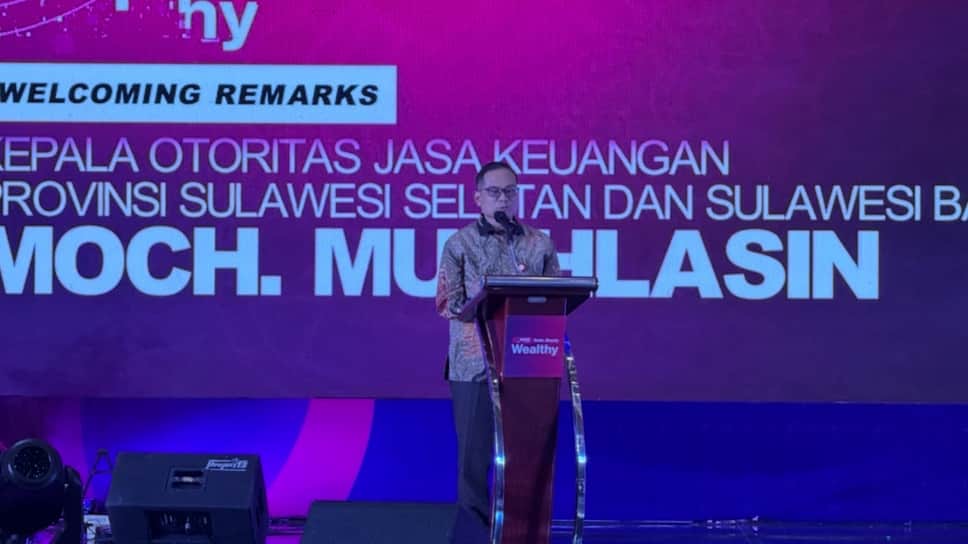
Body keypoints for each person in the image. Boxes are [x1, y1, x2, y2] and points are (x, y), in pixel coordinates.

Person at [435, 161, 560, 542]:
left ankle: (522, 533)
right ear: (477, 198)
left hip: (528, 363)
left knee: (528, 457)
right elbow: (447, 302)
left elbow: (555, 297)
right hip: (474, 364)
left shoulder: (539, 243)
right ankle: (474, 535)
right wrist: (485, 299)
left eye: (510, 192)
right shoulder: (459, 244)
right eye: (494, 192)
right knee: (473, 462)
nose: (503, 199)